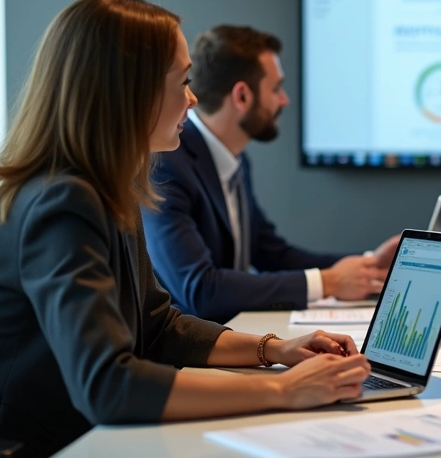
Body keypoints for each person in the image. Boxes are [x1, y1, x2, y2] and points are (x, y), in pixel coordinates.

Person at [0, 0, 371, 458]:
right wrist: (283, 390)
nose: (194, 98)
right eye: (183, 81)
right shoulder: (61, 201)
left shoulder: (107, 186)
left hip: (67, 443)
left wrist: (274, 350)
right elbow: (108, 386)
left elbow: (158, 326)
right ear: (129, 93)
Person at [142, 25, 399, 323]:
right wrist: (328, 282)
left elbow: (271, 254)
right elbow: (200, 291)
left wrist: (370, 267)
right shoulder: (166, 165)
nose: (284, 100)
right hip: (185, 356)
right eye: (276, 88)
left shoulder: (234, 161)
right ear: (242, 96)